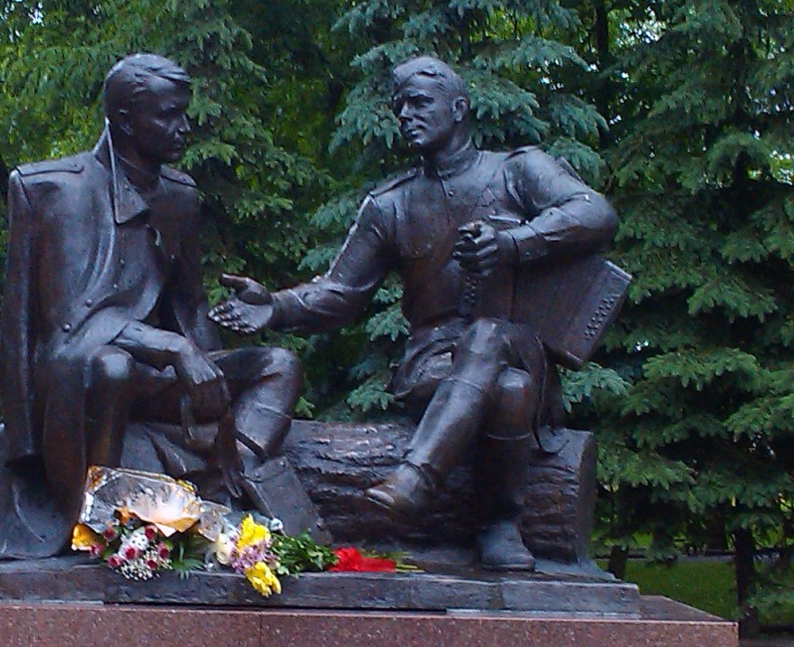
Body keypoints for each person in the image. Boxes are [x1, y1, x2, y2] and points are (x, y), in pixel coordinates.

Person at [212, 56, 616, 570]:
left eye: (419, 102)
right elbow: (340, 292)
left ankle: (417, 477)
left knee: (490, 338)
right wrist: (274, 305)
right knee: (509, 390)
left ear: (459, 108)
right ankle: (499, 525)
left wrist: (513, 243)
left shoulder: (518, 171)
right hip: (434, 363)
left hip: (519, 344)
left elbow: (595, 213)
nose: (405, 114)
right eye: (399, 105)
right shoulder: (390, 204)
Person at [0, 53, 300, 550]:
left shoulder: (180, 196)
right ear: (125, 120)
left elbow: (190, 304)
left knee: (279, 365)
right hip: (78, 376)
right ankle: (99, 522)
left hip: (152, 375)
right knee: (112, 366)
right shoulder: (52, 190)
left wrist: (208, 375)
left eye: (184, 113)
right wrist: (174, 349)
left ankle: (228, 483)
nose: (184, 127)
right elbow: (69, 323)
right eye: (168, 115)